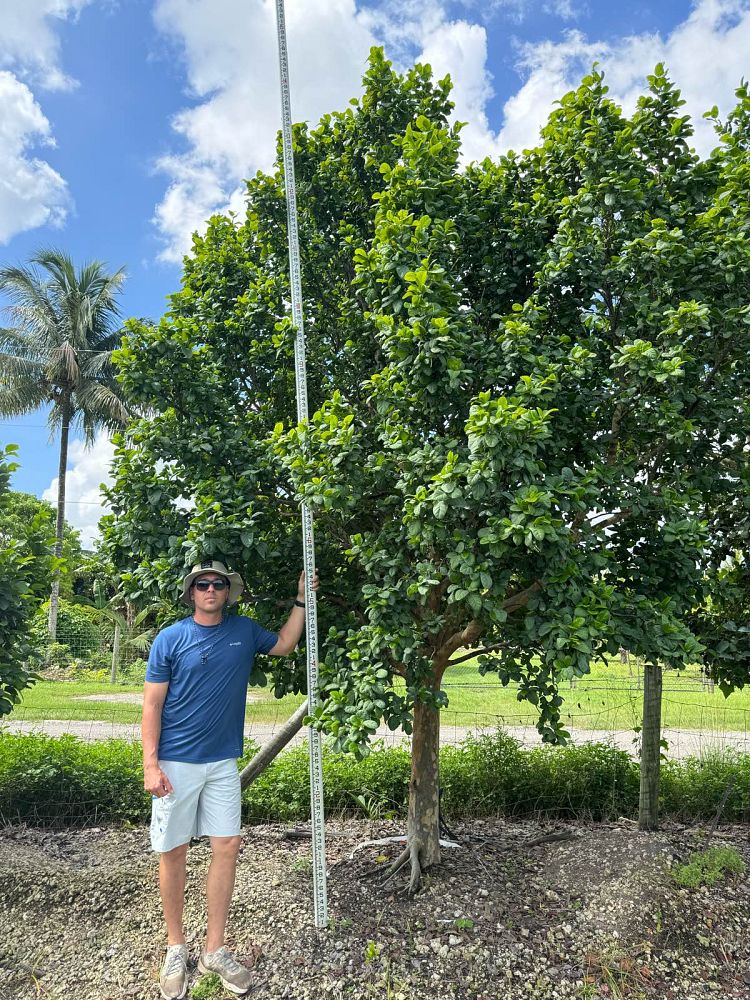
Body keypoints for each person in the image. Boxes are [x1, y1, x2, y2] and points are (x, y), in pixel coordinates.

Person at [142, 559, 318, 999]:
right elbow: (152, 706)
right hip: (176, 763)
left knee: (228, 846)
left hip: (222, 764)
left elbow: (283, 645)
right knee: (174, 851)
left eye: (218, 583)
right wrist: (150, 763)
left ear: (228, 591)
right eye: (202, 584)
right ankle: (176, 948)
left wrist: (301, 599)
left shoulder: (243, 631)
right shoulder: (170, 639)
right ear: (192, 592)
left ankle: (214, 949)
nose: (210, 589)